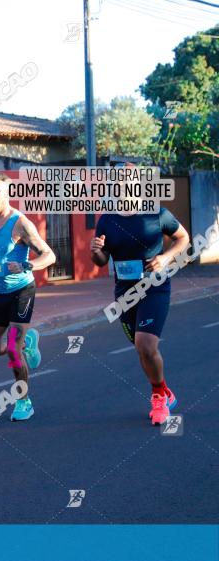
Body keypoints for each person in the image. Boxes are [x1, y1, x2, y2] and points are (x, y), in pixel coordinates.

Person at [90, 167, 190, 425]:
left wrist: (166, 258)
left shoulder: (157, 213)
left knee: (146, 344)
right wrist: (96, 251)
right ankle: (164, 389)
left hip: (154, 287)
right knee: (140, 349)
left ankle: (158, 397)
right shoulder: (107, 220)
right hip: (125, 292)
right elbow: (101, 260)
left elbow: (183, 238)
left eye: (128, 180)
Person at [0, 172, 56, 421]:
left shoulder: (20, 224)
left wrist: (28, 266)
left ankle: (24, 401)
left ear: (7, 195)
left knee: (13, 349)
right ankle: (29, 342)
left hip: (20, 292)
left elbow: (49, 256)